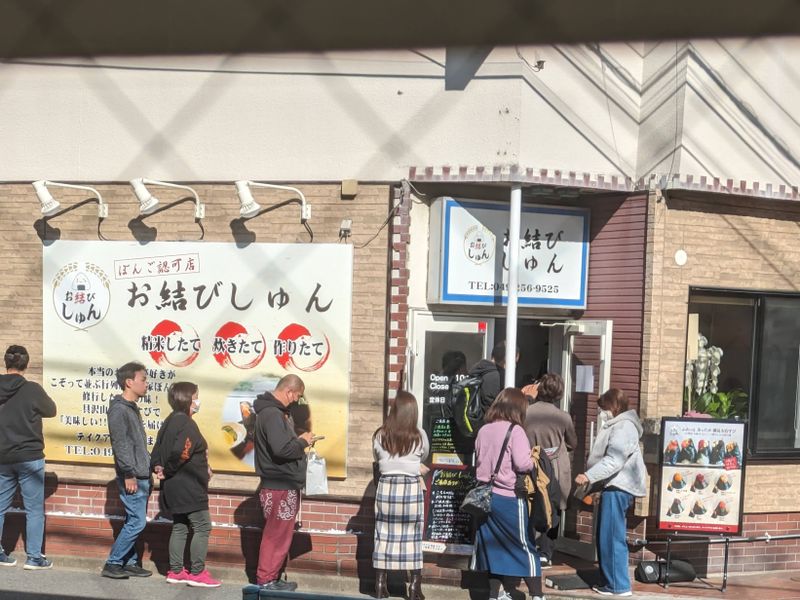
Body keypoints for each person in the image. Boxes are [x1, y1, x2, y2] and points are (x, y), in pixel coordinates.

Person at [471, 388, 545, 600]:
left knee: (494, 548)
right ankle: (537, 595)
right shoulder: (516, 431)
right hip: (510, 497)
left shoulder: (484, 430)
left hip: (485, 498)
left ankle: (494, 595)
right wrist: (535, 461)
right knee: (526, 545)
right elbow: (522, 464)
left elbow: (478, 460)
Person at [574, 388, 646, 597]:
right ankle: (611, 580)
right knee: (607, 535)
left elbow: (615, 459)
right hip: (616, 486)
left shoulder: (624, 427)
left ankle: (617, 585)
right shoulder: (623, 425)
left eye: (603, 408)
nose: (601, 413)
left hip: (618, 487)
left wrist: (589, 476)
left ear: (612, 407)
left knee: (611, 536)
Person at [151, 382, 221, 588]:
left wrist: (157, 466)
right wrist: (168, 469)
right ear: (188, 399)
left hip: (174, 486)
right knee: (202, 526)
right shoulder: (187, 424)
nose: (198, 401)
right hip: (188, 485)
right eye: (196, 396)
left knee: (180, 526)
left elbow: (158, 448)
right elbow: (182, 452)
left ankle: (176, 570)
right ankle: (197, 573)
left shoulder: (170, 420)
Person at [254, 374, 315, 592]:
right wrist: (302, 441)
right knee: (276, 535)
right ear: (289, 391)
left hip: (280, 484)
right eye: (296, 396)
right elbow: (281, 449)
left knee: (278, 534)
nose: (295, 401)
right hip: (280, 485)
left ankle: (272, 576)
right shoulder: (273, 414)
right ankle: (267, 580)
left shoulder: (272, 413)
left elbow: (280, 445)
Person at [0, 345, 57, 570]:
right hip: (29, 456)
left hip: (2, 456)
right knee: (34, 509)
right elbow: (51, 410)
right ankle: (34, 558)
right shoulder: (32, 389)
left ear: (6, 362)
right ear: (26, 364)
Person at [372, 391, 430, 600]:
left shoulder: (380, 434)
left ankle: (380, 585)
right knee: (413, 537)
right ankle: (414, 588)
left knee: (383, 534)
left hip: (386, 487)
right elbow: (423, 455)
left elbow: (377, 458)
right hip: (410, 488)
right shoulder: (419, 435)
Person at [102, 361, 153, 580]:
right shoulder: (119, 410)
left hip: (141, 474)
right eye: (143, 380)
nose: (147, 384)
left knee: (133, 520)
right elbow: (121, 444)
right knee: (137, 521)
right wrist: (128, 473)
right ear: (129, 382)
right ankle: (113, 563)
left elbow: (136, 444)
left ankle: (130, 562)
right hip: (132, 476)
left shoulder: (131, 408)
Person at [522, 373, 577, 565]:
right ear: (559, 393)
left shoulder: (526, 412)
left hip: (531, 464)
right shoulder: (563, 417)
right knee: (553, 509)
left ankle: (528, 546)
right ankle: (546, 553)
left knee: (530, 504)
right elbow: (573, 443)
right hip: (555, 467)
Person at [468, 341, 520, 418]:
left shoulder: (481, 370)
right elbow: (494, 407)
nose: (515, 366)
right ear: (507, 359)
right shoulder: (497, 376)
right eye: (514, 362)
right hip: (487, 423)